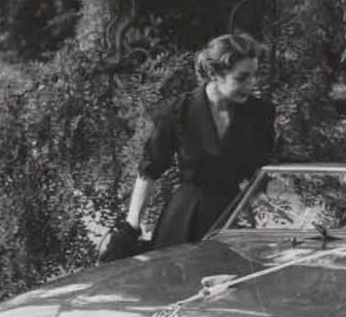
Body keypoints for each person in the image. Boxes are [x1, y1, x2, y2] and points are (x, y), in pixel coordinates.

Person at [101, 33, 276, 261]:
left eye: (254, 76)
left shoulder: (260, 113)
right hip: (184, 217)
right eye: (241, 78)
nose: (251, 85)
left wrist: (250, 211)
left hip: (232, 219)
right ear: (214, 74)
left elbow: (260, 175)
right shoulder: (178, 111)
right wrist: (130, 227)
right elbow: (150, 170)